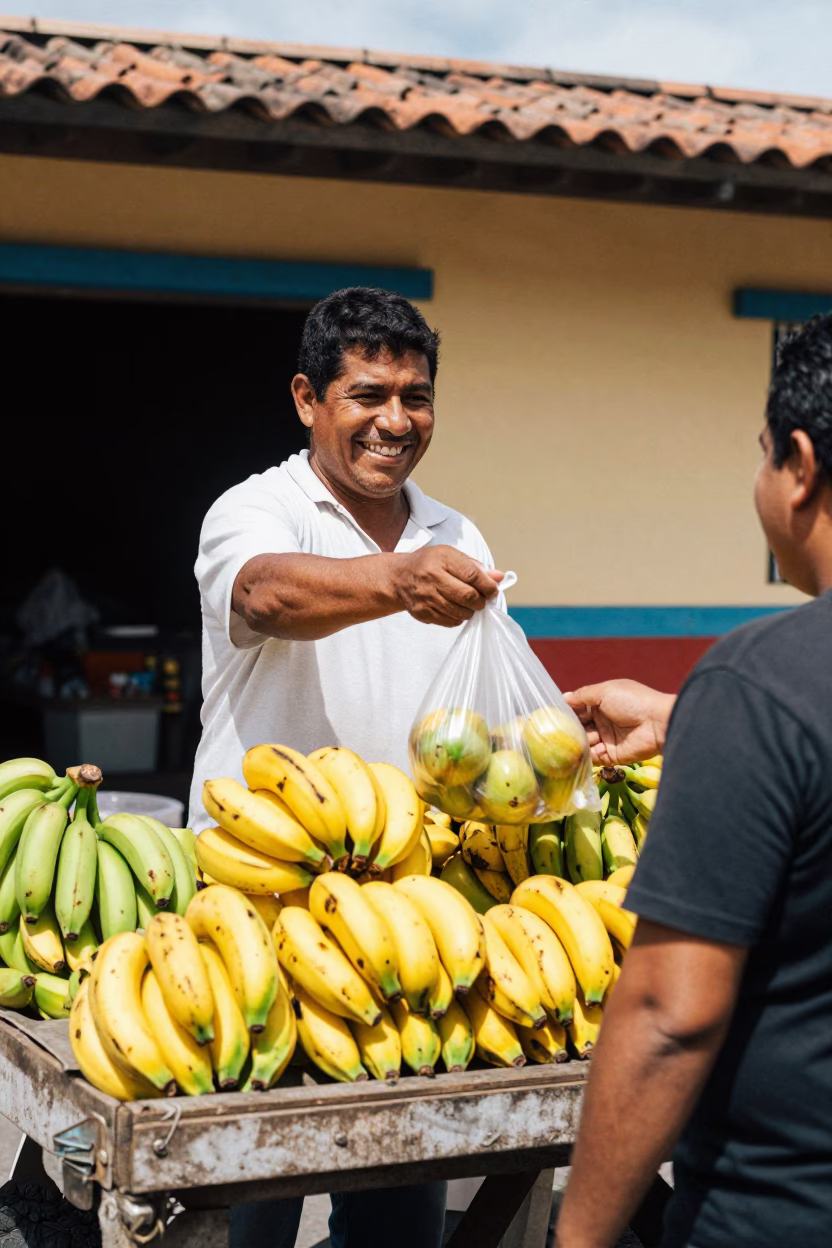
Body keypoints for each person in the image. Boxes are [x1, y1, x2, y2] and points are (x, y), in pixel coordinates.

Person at [188, 286, 503, 1248]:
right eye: (368, 395)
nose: (396, 421)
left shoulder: (456, 534)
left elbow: (480, 700)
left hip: (405, 905)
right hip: (258, 902)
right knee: (255, 1190)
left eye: (417, 397)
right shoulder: (258, 508)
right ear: (307, 399)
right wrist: (396, 582)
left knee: (399, 1193)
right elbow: (265, 596)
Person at [556, 313, 832, 1248]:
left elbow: (670, 1015)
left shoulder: (761, 681)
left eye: (763, 453)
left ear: (800, 466)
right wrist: (691, 721)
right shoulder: (753, 704)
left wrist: (579, 1240)